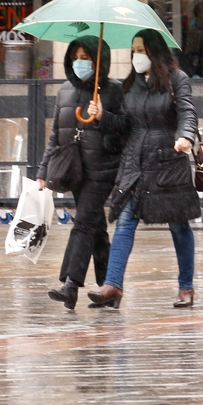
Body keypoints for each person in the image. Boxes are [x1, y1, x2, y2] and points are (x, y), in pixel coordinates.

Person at [86, 28, 202, 309]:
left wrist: (185, 135)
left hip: (167, 162)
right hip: (135, 163)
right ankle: (113, 285)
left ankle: (186, 287)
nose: (137, 56)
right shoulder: (131, 85)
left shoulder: (177, 79)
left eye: (142, 50)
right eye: (134, 51)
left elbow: (187, 111)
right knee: (125, 221)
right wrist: (103, 117)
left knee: (178, 225)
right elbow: (127, 125)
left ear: (155, 52)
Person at [37, 36, 125, 310]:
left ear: (99, 61)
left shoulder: (114, 91)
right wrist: (43, 171)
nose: (79, 62)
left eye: (85, 57)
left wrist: (103, 116)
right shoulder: (64, 92)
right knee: (96, 228)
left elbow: (126, 127)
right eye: (75, 57)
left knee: (83, 224)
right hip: (74, 169)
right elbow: (55, 135)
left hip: (102, 169)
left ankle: (70, 285)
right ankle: (110, 287)